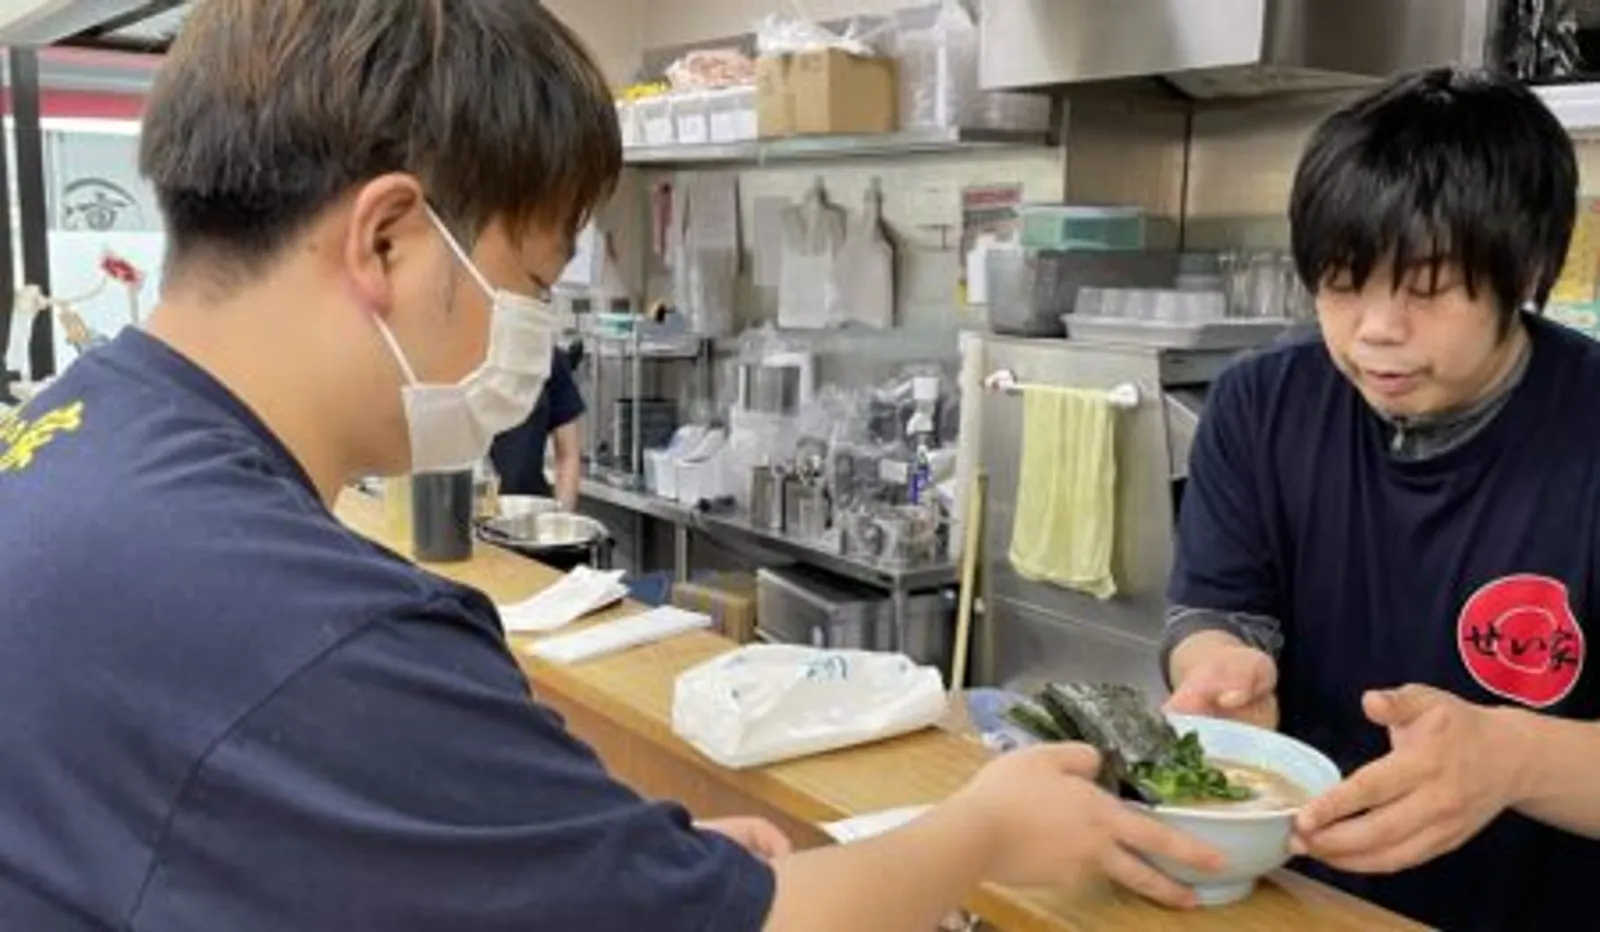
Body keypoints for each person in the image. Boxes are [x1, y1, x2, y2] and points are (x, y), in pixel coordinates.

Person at [0, 2, 1223, 930]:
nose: (533, 334)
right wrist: (982, 833)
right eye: (532, 284)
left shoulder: (81, 428)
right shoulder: (324, 628)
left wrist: (597, 857)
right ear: (387, 239)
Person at [1162, 66, 1600, 932]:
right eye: (1340, 283)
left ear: (1525, 268)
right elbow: (1217, 611)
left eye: (1426, 289)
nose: (1374, 330)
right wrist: (1218, 669)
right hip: (1297, 902)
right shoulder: (1260, 406)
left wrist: (1518, 758)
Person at [490, 342, 584, 507]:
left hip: (529, 507)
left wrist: (561, 515)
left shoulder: (547, 358)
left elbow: (568, 455)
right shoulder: (454, 355)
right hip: (463, 508)